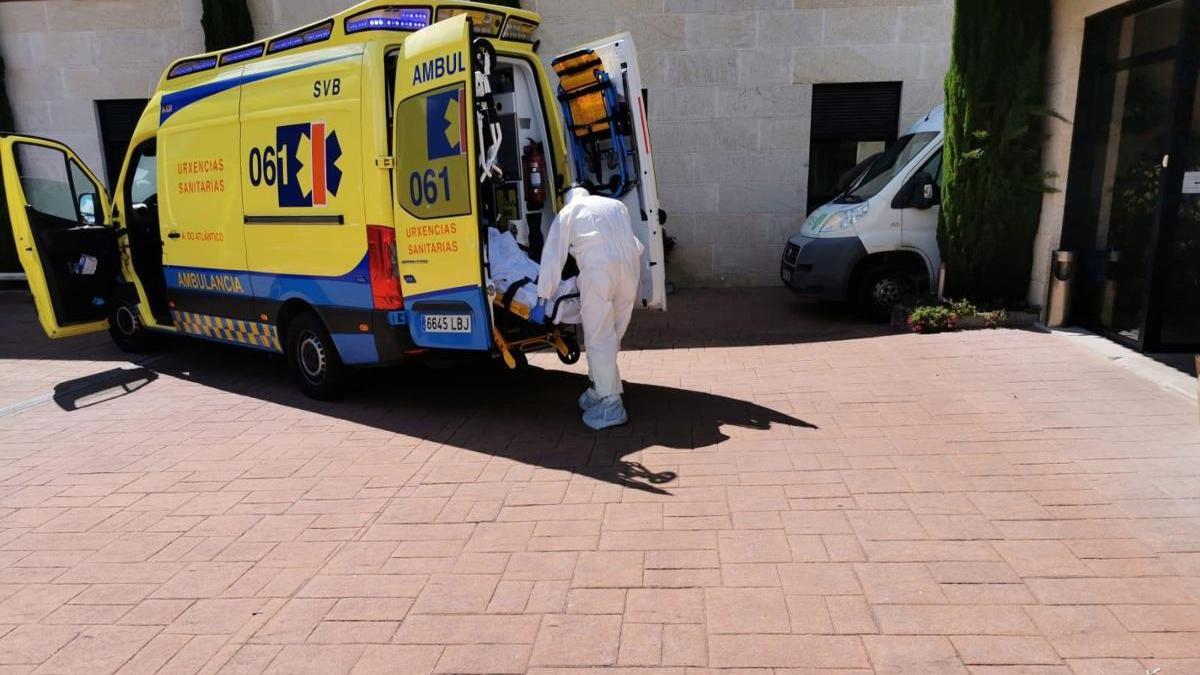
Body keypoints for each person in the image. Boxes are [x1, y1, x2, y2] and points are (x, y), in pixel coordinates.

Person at [537, 184, 644, 430]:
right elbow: (636, 244)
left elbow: (553, 257)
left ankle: (611, 404)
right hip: (629, 270)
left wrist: (544, 295)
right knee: (612, 334)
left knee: (598, 336)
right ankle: (600, 387)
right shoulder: (616, 205)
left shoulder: (569, 212)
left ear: (566, 198)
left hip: (599, 272)